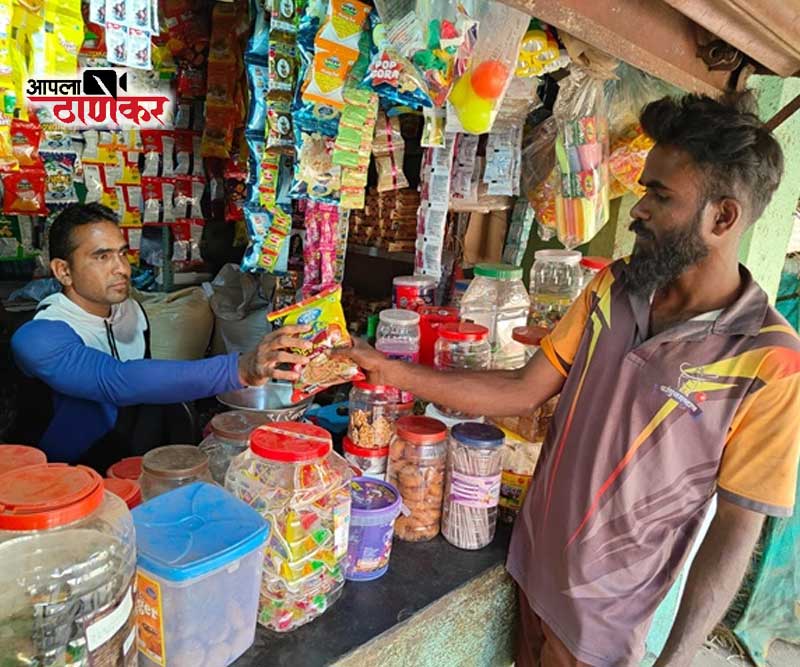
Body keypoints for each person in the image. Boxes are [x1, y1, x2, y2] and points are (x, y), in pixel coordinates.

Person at [341, 93, 800, 667]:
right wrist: (395, 370)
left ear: (722, 217)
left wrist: (677, 657)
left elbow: (737, 526)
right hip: (530, 565)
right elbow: (521, 389)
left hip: (602, 622)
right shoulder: (614, 287)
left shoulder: (770, 362)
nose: (637, 209)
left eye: (659, 195)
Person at [11, 203, 310, 470]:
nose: (122, 269)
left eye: (122, 253)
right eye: (102, 257)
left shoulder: (131, 311)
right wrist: (240, 369)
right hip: (64, 475)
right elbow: (117, 381)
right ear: (64, 271)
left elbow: (150, 387)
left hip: (133, 465)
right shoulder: (38, 335)